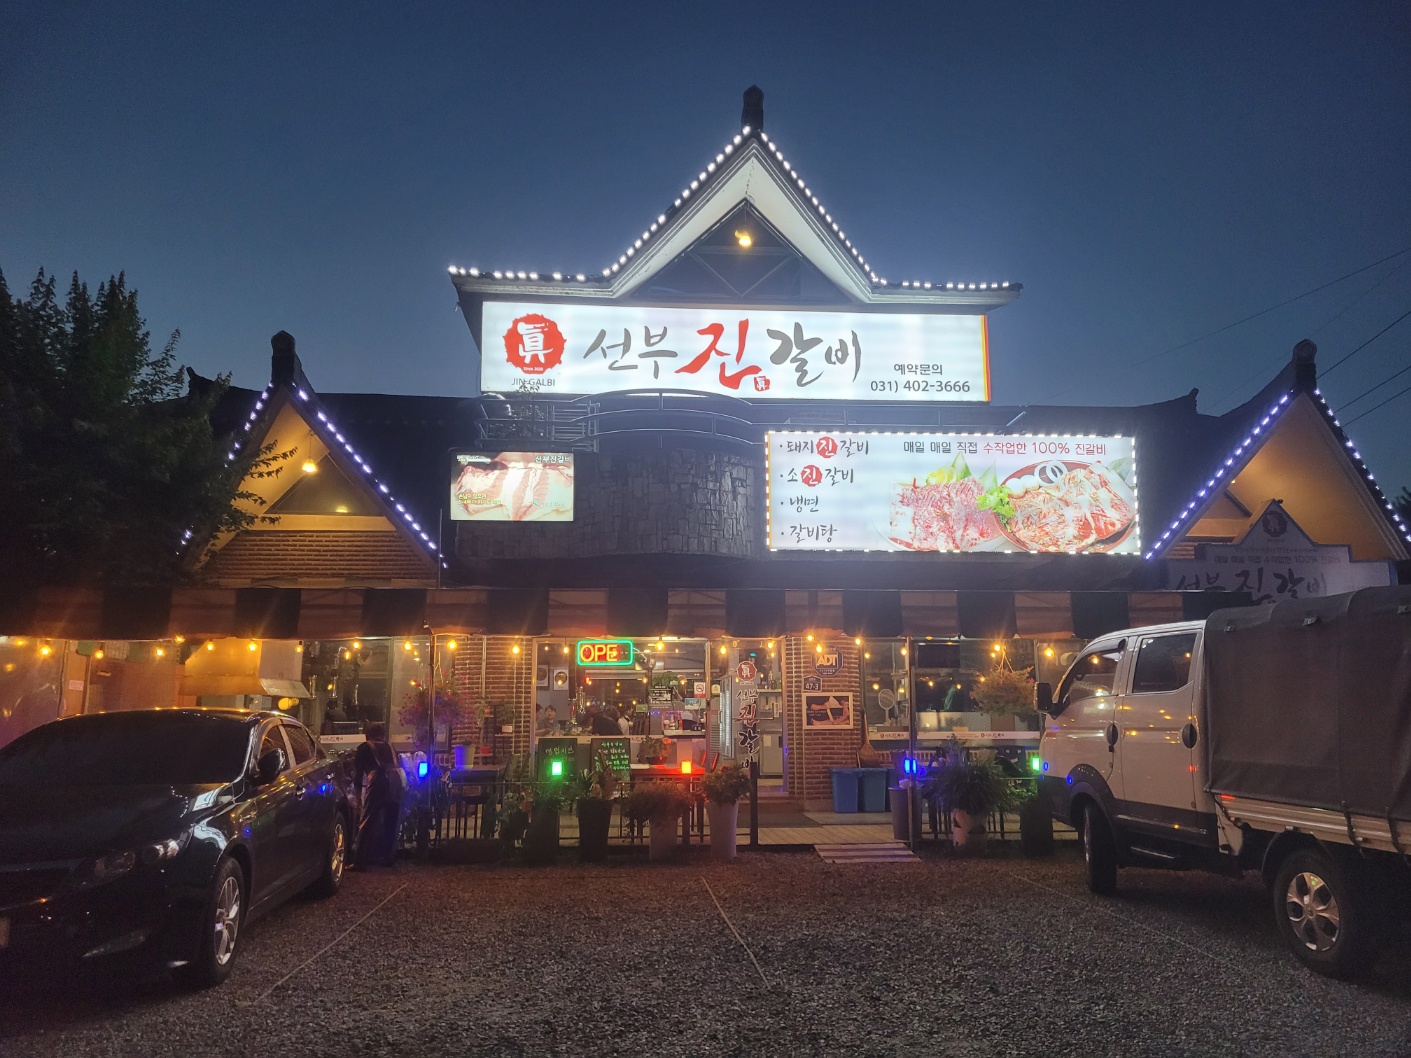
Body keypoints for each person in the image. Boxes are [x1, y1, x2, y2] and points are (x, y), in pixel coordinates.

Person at [352, 722, 403, 868]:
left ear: (367, 735)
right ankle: (387, 858)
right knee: (391, 821)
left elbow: (358, 774)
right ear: (383, 735)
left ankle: (360, 861)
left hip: (378, 781)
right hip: (396, 781)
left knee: (367, 821)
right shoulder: (391, 747)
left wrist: (358, 797)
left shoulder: (364, 747)